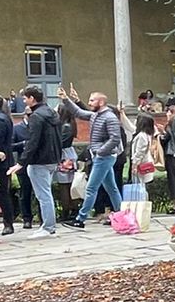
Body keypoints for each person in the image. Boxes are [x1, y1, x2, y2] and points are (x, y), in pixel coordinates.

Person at [72, 92, 124, 227]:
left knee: (91, 188)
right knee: (111, 188)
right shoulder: (96, 115)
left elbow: (115, 138)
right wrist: (65, 99)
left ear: (101, 102)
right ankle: (120, 216)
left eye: (92, 100)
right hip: (103, 156)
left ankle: (80, 219)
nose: (89, 103)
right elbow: (79, 112)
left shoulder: (110, 117)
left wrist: (100, 152)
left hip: (104, 157)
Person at [20, 84, 64, 235]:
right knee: (46, 194)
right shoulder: (52, 113)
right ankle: (48, 225)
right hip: (52, 159)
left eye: (25, 98)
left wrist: (21, 162)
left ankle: (48, 227)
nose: (24, 101)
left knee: (44, 195)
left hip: (39, 161)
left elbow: (33, 142)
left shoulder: (36, 117)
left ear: (32, 98)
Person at [0, 96, 15, 235]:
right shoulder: (4, 117)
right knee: (3, 194)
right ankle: (8, 223)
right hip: (4, 162)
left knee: (3, 194)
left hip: (0, 163)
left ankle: (8, 224)